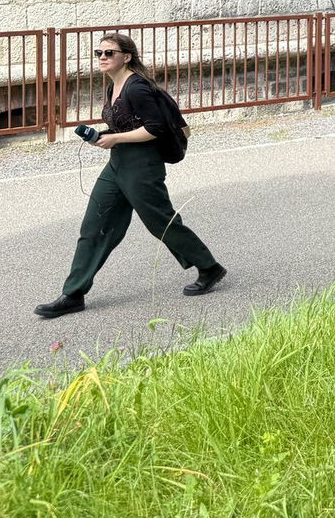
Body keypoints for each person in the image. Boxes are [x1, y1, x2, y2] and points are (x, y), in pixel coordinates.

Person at [34, 34, 226, 318]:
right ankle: (73, 294)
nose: (102, 57)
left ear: (126, 57)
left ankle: (209, 267)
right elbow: (127, 124)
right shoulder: (113, 86)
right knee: (94, 225)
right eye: (99, 52)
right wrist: (106, 136)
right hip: (117, 164)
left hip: (142, 165)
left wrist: (116, 139)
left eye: (109, 53)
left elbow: (155, 128)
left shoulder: (136, 87)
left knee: (161, 222)